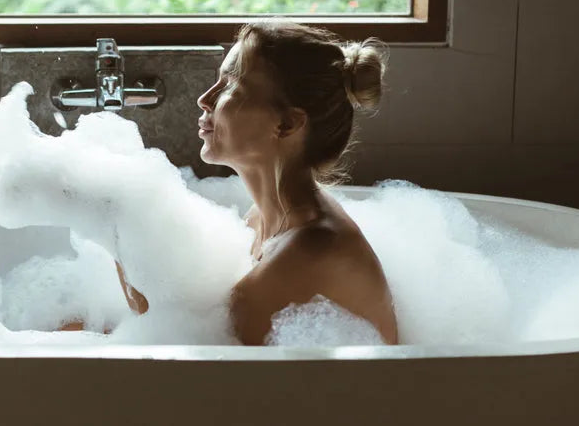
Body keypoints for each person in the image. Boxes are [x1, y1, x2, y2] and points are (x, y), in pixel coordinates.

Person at [118, 21, 398, 345]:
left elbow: (191, 345)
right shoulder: (263, 217)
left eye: (231, 85)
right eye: (216, 81)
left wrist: (118, 209)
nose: (205, 100)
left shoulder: (312, 248)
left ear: (286, 123)